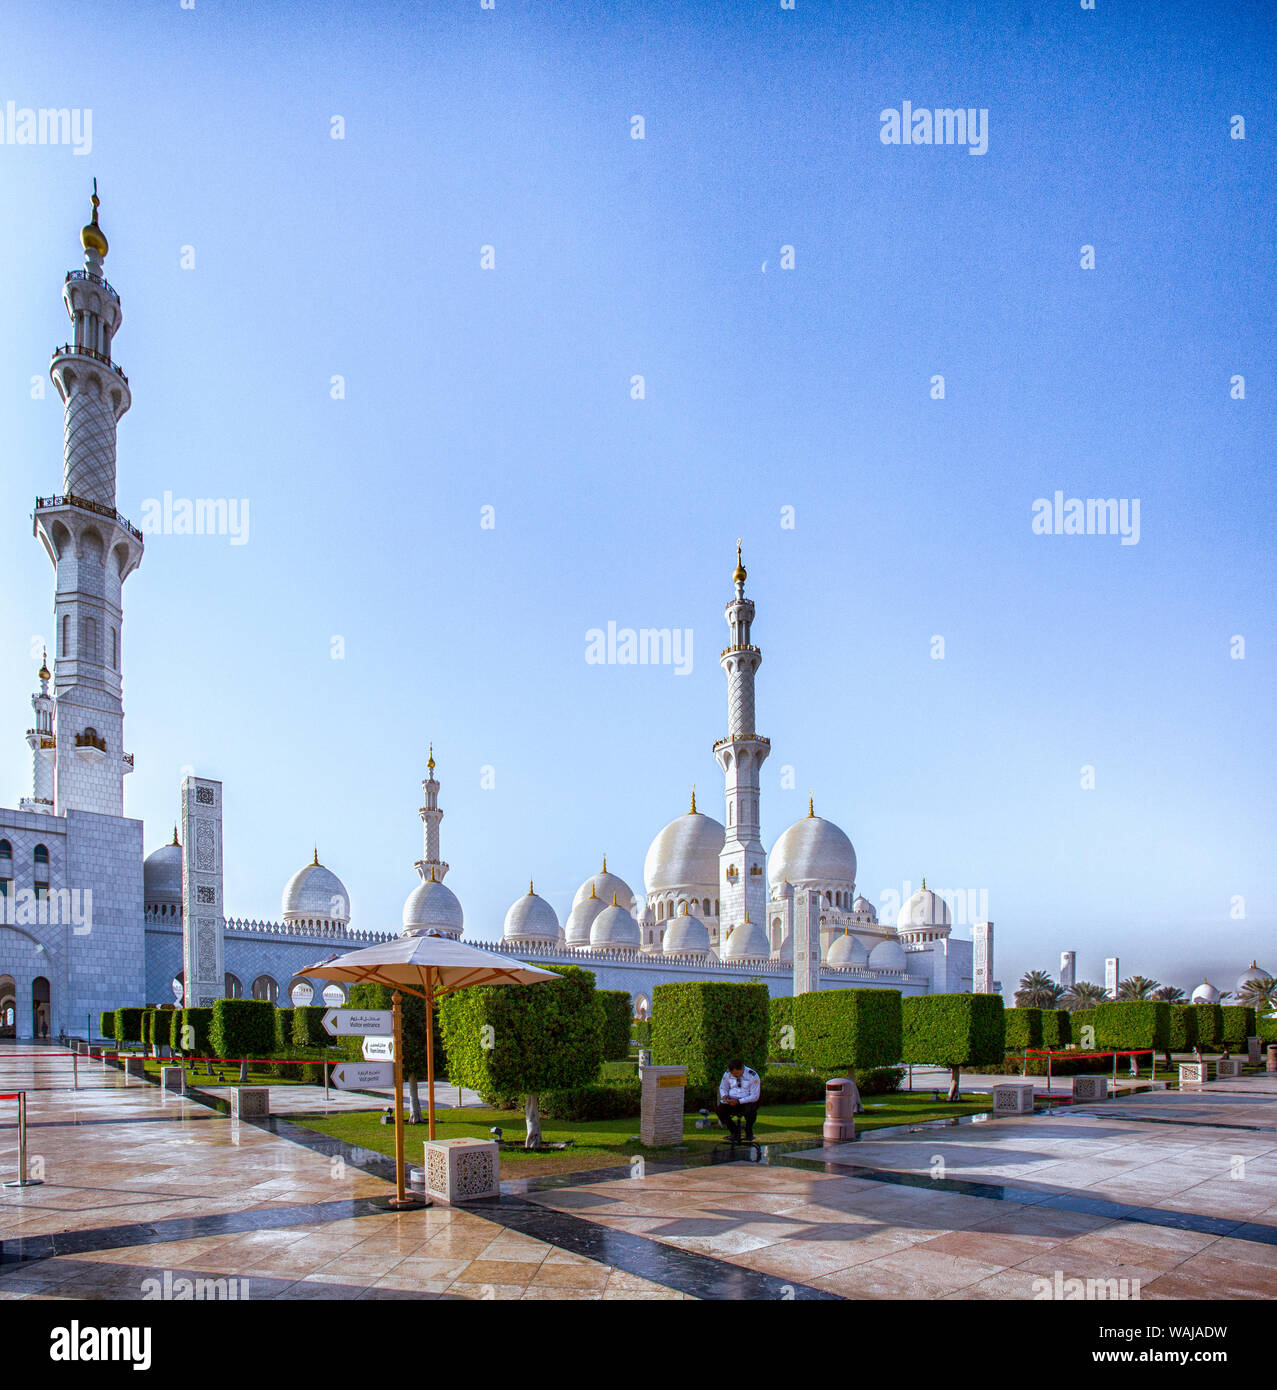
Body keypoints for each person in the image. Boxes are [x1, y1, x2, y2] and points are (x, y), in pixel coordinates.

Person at [716, 1058, 761, 1142]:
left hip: (747, 1101)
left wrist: (739, 1101)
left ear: (742, 1069)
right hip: (731, 1100)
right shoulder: (727, 1074)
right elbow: (723, 1087)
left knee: (751, 1111)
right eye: (733, 1074)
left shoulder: (752, 1075)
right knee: (720, 1110)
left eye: (736, 1073)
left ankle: (748, 1131)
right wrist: (724, 1095)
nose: (734, 1075)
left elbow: (755, 1096)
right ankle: (734, 1131)